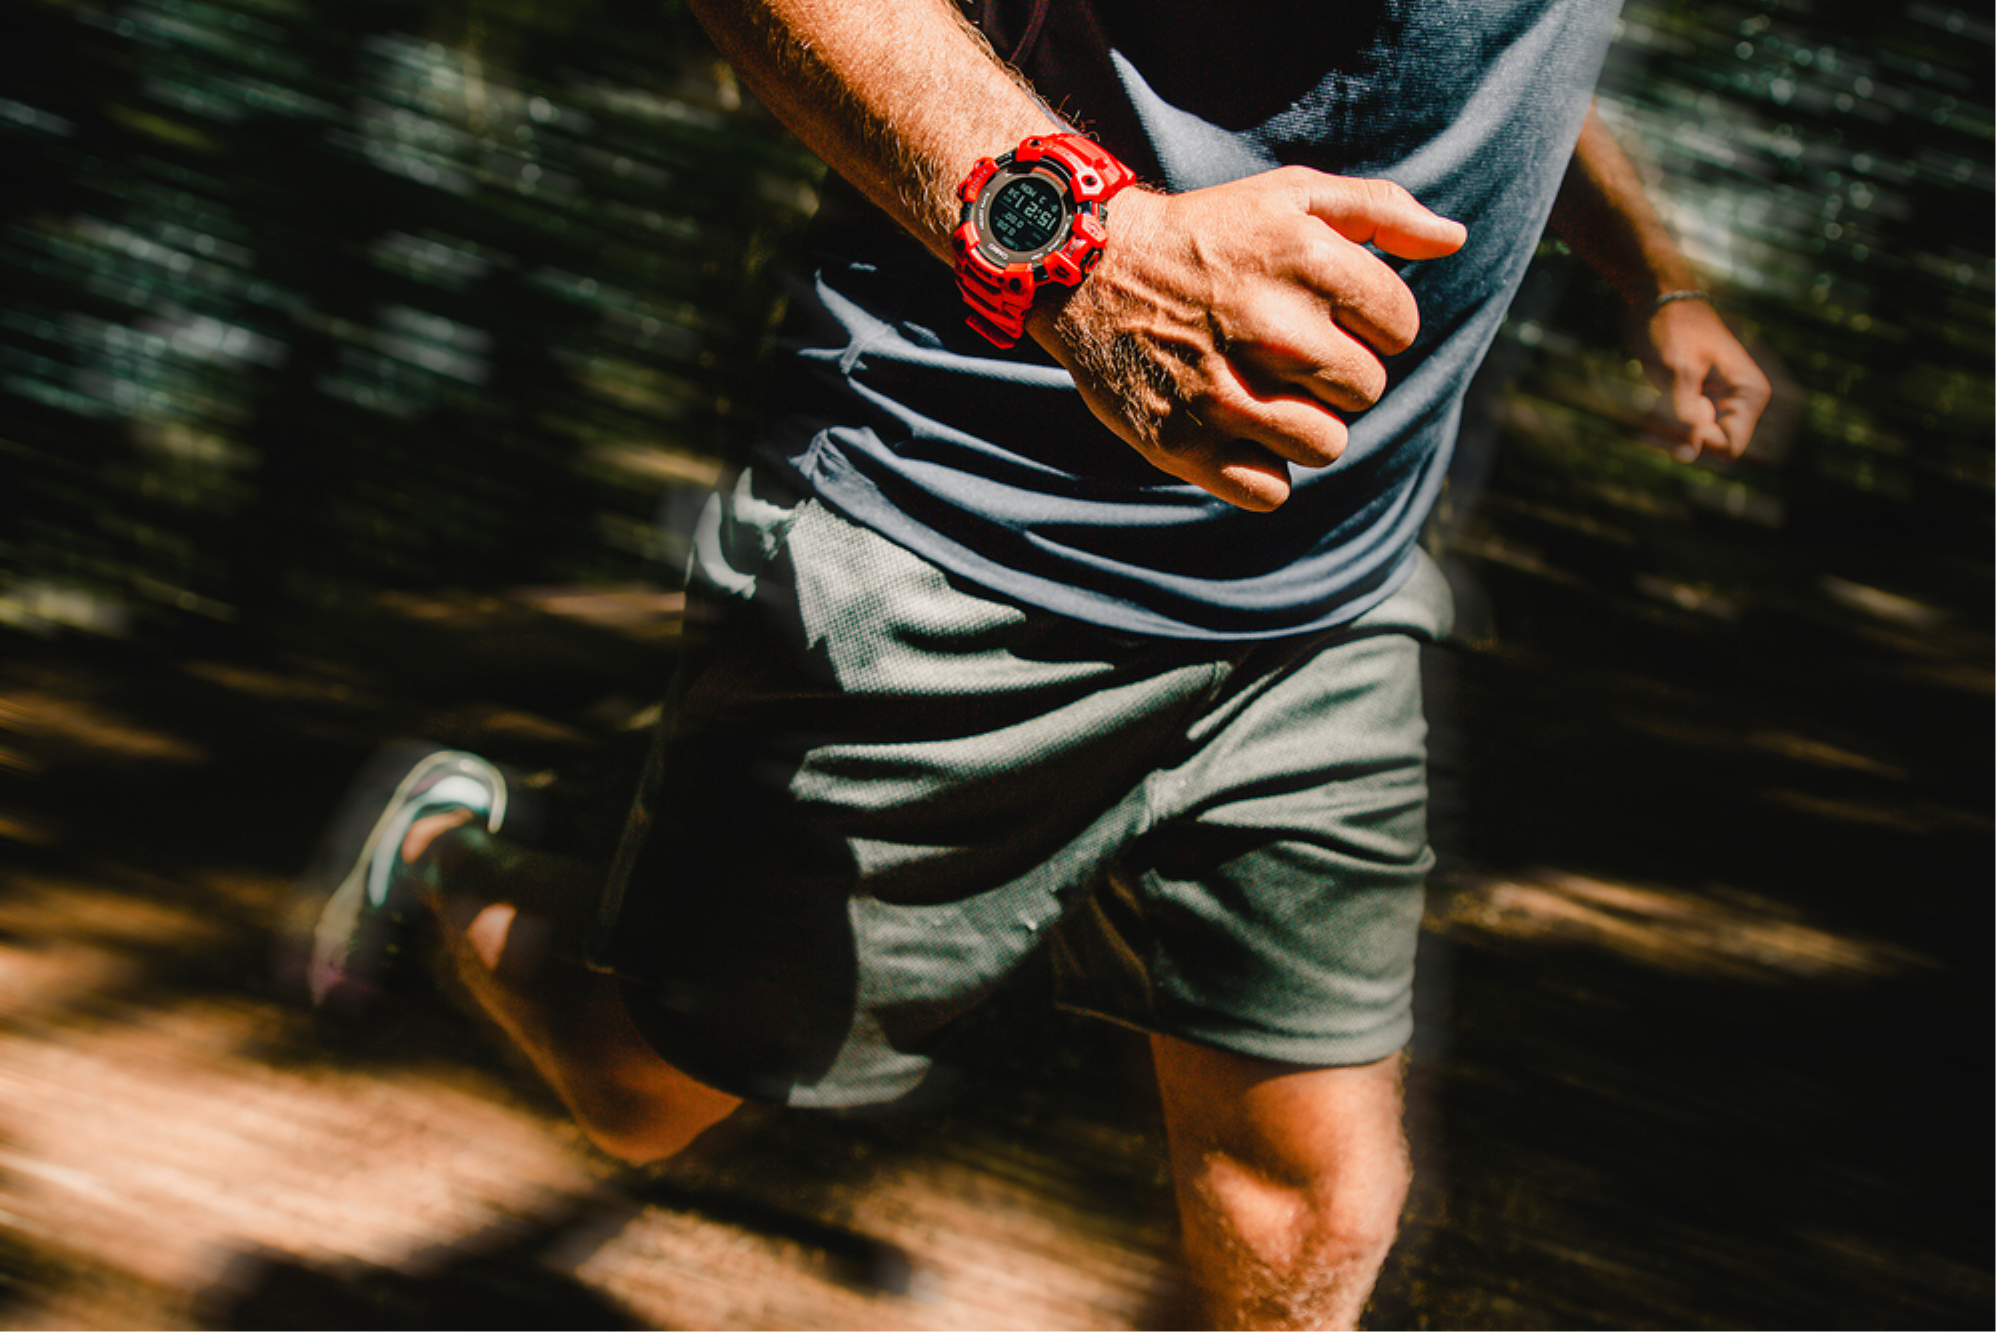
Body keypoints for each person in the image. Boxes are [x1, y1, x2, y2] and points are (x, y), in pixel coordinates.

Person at [294, 2, 1771, 1327]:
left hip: (1328, 595)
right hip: (961, 528)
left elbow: (1498, 50)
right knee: (638, 1089)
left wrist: (1657, 279)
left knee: (1314, 1215)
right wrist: (1083, 250)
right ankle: (446, 851)